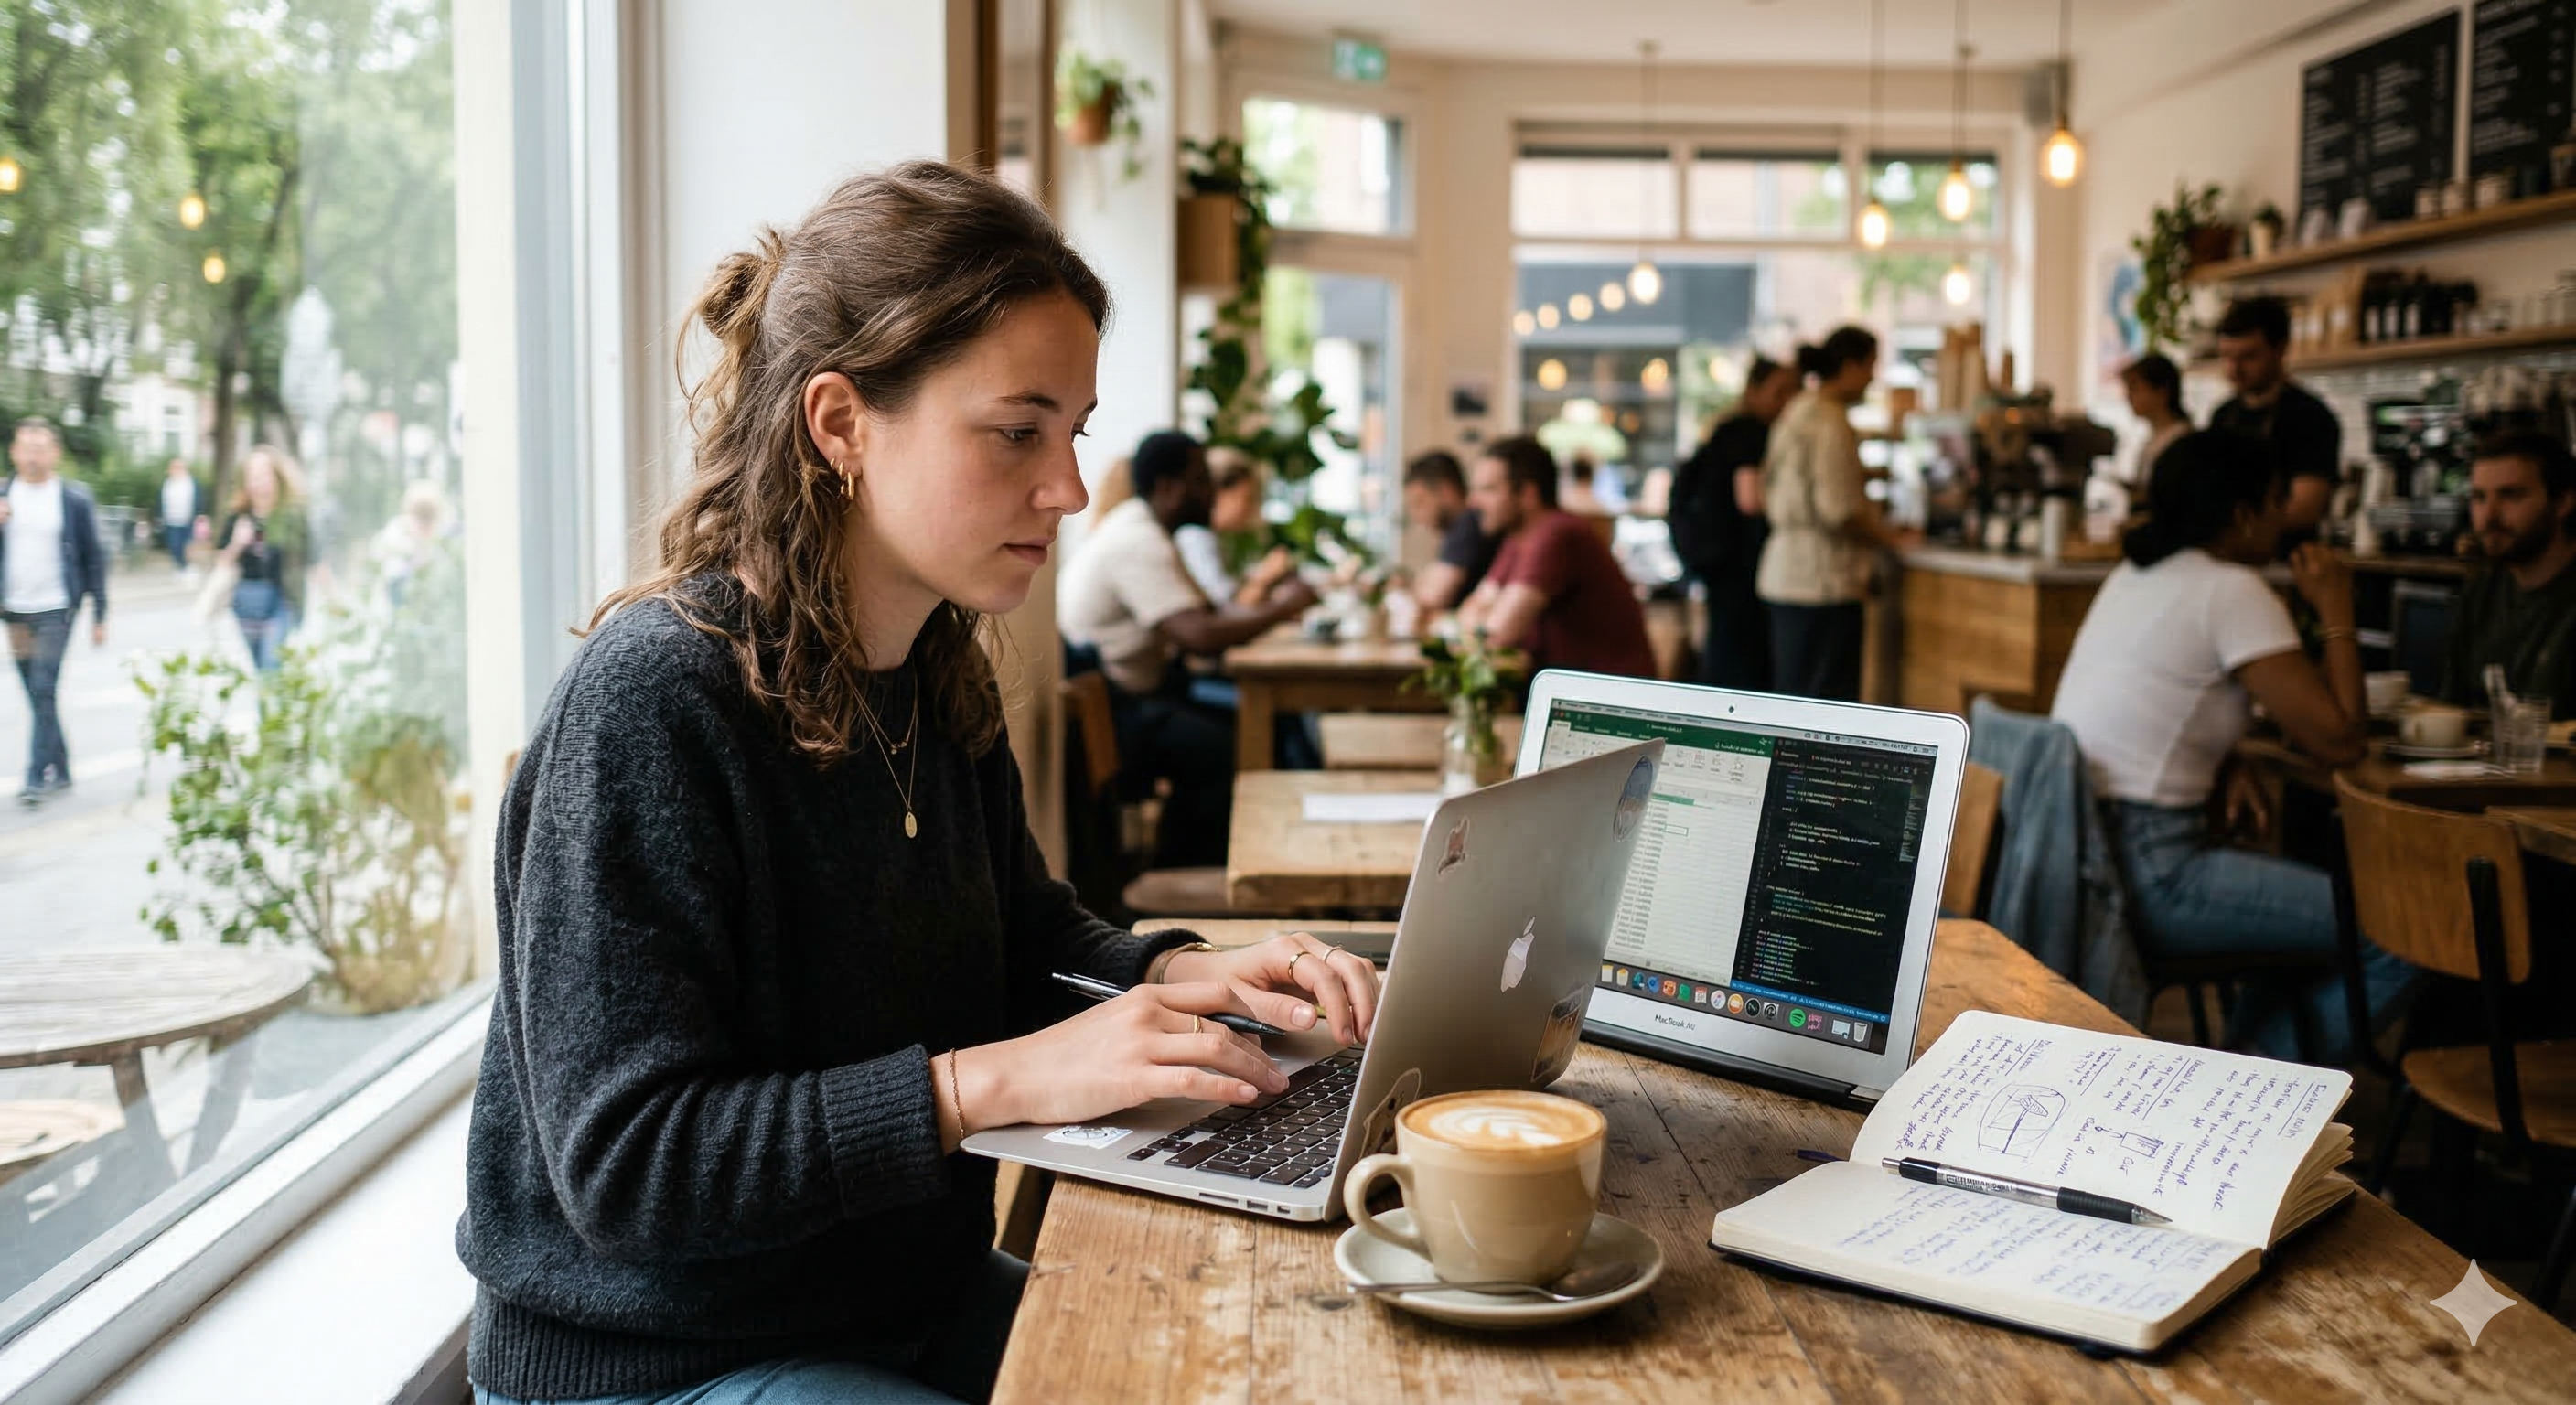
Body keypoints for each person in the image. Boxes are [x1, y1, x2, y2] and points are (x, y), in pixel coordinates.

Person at [459, 163, 1379, 1405]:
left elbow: (1024, 938)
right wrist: (986, 1083)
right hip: (663, 1361)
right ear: (840, 423)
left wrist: (1172, 972)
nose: (1066, 491)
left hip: (896, 1305)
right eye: (1016, 431)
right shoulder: (655, 701)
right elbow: (629, 1168)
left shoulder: (934, 666)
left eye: (1073, 433)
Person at [2051, 430, 2405, 1060]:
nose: (2284, 518)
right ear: (2242, 515)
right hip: (2156, 872)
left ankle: (2245, 1064)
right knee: (2401, 929)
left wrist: (2228, 756)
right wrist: (2336, 606)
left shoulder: (2134, 575)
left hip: (2092, 859)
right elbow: (2342, 742)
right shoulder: (2232, 589)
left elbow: (2162, 700)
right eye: (2275, 502)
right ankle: (2259, 1079)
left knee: (2295, 934)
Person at [1058, 429, 1315, 866]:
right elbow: (1201, 636)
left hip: (1143, 695)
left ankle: (1250, 859)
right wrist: (1285, 606)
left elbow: (1209, 615)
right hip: (1121, 710)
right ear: (1168, 487)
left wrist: (1274, 605)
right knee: (1235, 745)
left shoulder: (1150, 531)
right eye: (1202, 480)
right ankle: (1193, 871)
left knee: (1269, 724)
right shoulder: (1137, 540)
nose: (1212, 492)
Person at [1756, 327, 1915, 701]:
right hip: (1822, 582)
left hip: (1784, 575)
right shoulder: (1830, 421)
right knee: (1826, 707)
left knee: (1791, 700)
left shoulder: (1798, 409)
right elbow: (1839, 510)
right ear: (1850, 366)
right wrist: (1891, 538)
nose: (1873, 378)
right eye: (1871, 366)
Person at [1455, 435, 1656, 678]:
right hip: (1567, 689)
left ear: (1528, 494)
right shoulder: (1516, 540)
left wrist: (1483, 620)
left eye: (1488, 490)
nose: (1473, 502)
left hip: (1606, 696)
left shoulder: (1557, 534)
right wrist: (1482, 620)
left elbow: (1497, 635)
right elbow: (1471, 611)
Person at [1669, 357, 1799, 690]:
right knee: (1743, 662)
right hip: (1740, 565)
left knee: (1726, 650)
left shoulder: (1724, 430)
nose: (1788, 401)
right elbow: (1749, 499)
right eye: (1779, 392)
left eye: (1793, 391)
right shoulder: (1750, 433)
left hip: (1718, 560)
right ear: (1753, 391)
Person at [0, 417, 108, 806]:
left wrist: (100, 613)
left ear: (55, 453)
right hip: (15, 610)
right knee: (36, 692)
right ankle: (60, 765)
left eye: (41, 448)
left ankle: (36, 776)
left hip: (56, 609)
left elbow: (94, 556)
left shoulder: (72, 499)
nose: (33, 456)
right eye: (27, 448)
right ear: (14, 452)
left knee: (44, 686)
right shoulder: (3, 496)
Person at [2438, 430, 2576, 718]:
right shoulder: (2482, 593)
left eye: (2511, 495)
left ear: (2562, 502)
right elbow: (2453, 710)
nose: (2489, 516)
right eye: (2479, 497)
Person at [2209, 297, 2339, 541]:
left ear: (2280, 350)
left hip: (2287, 556)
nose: (2234, 369)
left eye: (2248, 357)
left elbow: (2306, 509)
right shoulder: (2222, 415)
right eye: (2226, 356)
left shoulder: (2310, 417)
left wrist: (2239, 528)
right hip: (2228, 554)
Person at [218, 446, 309, 673]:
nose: (258, 482)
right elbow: (222, 563)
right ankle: (270, 698)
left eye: (263, 475)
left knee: (271, 663)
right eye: (252, 476)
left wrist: (335, 602)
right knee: (260, 667)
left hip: (282, 600)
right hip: (246, 601)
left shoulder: (292, 517)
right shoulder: (238, 516)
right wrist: (237, 543)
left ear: (277, 477)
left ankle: (272, 695)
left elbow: (314, 561)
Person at [1174, 447, 1298, 608]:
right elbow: (1228, 613)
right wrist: (1264, 577)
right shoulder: (1194, 538)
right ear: (1219, 492)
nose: (1251, 509)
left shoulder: (1214, 538)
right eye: (1247, 498)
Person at [1404, 449, 1494, 612]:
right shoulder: (1457, 529)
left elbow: (1431, 599)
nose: (1416, 516)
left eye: (1420, 502)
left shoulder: (1468, 525)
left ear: (1446, 491)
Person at [2119, 352, 2191, 485]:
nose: (2128, 397)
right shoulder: (2155, 436)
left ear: (2162, 392)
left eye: (2135, 389)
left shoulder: (2181, 441)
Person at [159, 457, 202, 574]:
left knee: (187, 545)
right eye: (174, 468)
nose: (177, 470)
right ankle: (181, 565)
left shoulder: (192, 483)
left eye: (179, 467)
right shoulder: (167, 484)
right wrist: (160, 516)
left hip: (188, 520)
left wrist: (199, 515)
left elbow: (199, 499)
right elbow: (161, 501)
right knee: (174, 544)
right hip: (171, 520)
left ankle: (185, 566)